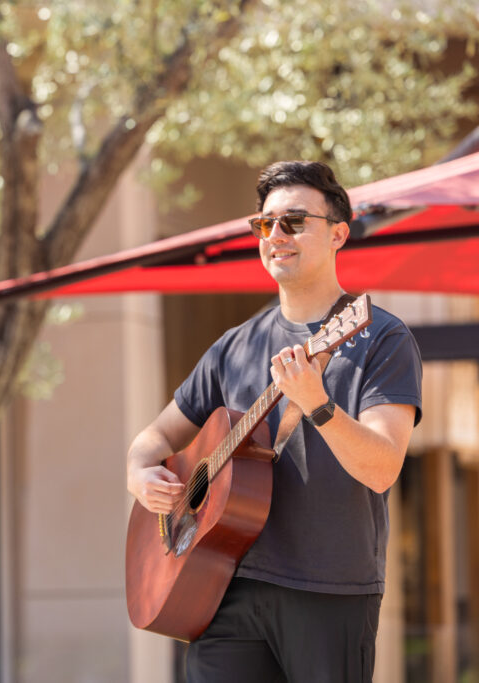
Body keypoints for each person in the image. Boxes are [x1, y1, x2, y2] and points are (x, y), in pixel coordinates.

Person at [126, 161, 422, 682]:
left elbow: (382, 467)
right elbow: (154, 438)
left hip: (328, 591)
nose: (275, 236)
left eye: (293, 222)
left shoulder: (380, 339)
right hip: (221, 586)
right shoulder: (233, 346)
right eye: (264, 225)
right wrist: (139, 473)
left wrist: (319, 405)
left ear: (338, 234)